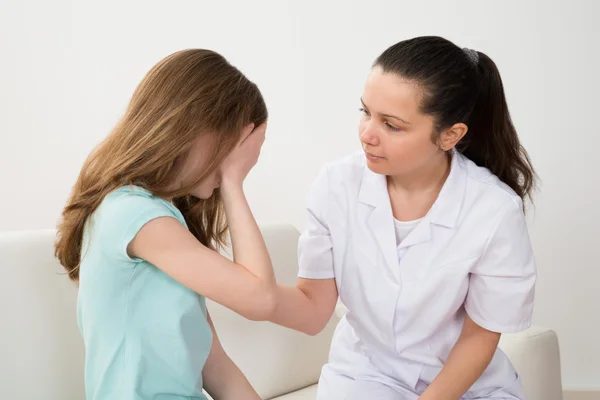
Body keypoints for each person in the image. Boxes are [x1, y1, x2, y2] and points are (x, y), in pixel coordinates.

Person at [269, 36, 537, 399]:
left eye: (391, 125)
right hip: (364, 378)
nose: (367, 134)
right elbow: (314, 309)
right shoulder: (336, 185)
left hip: (467, 387)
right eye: (366, 112)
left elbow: (479, 337)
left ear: (450, 135)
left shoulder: (493, 210)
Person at [55, 49, 275, 400]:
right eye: (240, 151)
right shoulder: (132, 214)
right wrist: (233, 182)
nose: (242, 164)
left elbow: (216, 368)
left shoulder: (165, 221)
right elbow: (261, 299)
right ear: (201, 128)